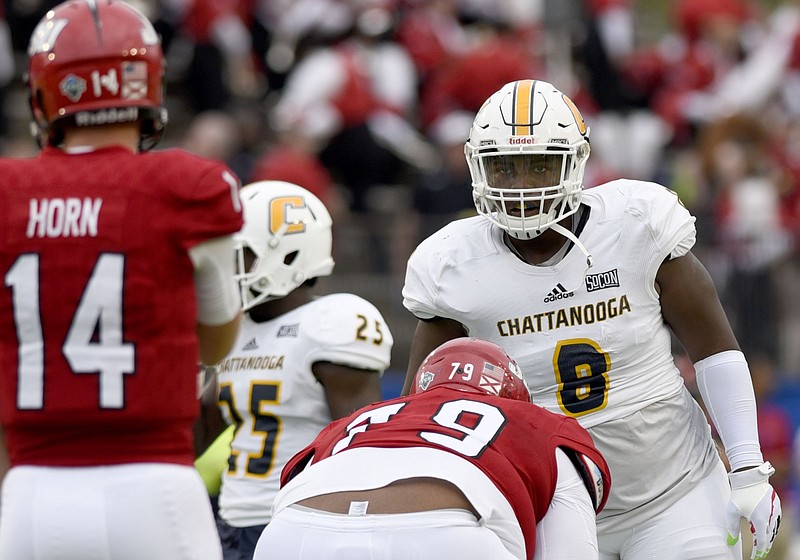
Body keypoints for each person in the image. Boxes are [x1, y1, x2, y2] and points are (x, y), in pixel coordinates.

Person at [401, 79, 782, 559]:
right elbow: (420, 407)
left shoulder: (636, 221)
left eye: (540, 164)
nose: (522, 185)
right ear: (479, 165)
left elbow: (715, 350)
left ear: (575, 161)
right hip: (550, 505)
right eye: (505, 166)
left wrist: (747, 465)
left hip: (675, 488)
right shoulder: (453, 264)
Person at [0, 1, 243, 558]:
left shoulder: (8, 195)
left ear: (43, 94)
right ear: (148, 88)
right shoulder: (186, 188)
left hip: (34, 493)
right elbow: (216, 340)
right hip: (155, 488)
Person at [252, 337, 611, 560]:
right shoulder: (538, 424)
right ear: (514, 395)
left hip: (292, 533)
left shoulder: (357, 420)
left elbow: (295, 481)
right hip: (440, 533)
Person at [195, 180, 394, 560]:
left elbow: (360, 448)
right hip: (229, 522)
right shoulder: (236, 330)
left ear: (287, 254)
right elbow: (199, 428)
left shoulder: (331, 323)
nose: (228, 271)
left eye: (242, 257)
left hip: (297, 522)